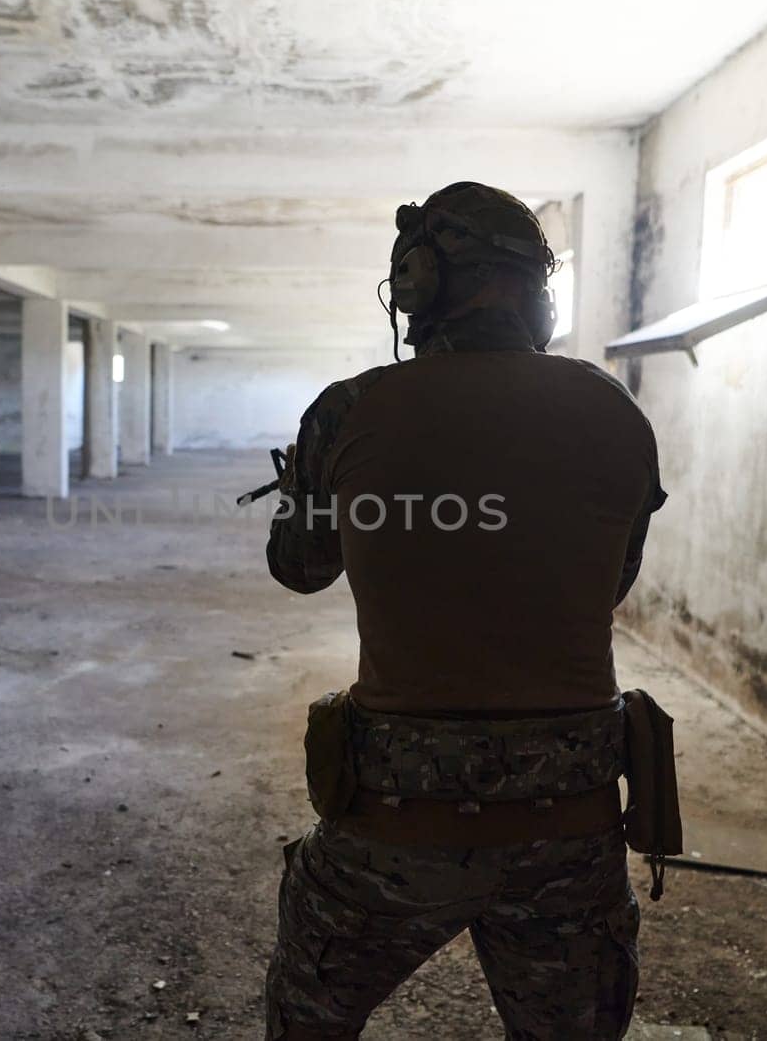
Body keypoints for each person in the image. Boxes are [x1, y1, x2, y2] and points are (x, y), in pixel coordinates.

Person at [262, 181, 667, 1040]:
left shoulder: (350, 408)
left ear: (419, 283)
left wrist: (309, 480)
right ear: (539, 294)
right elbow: (611, 584)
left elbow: (299, 569)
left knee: (308, 1017)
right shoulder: (616, 412)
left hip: (393, 826)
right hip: (573, 825)